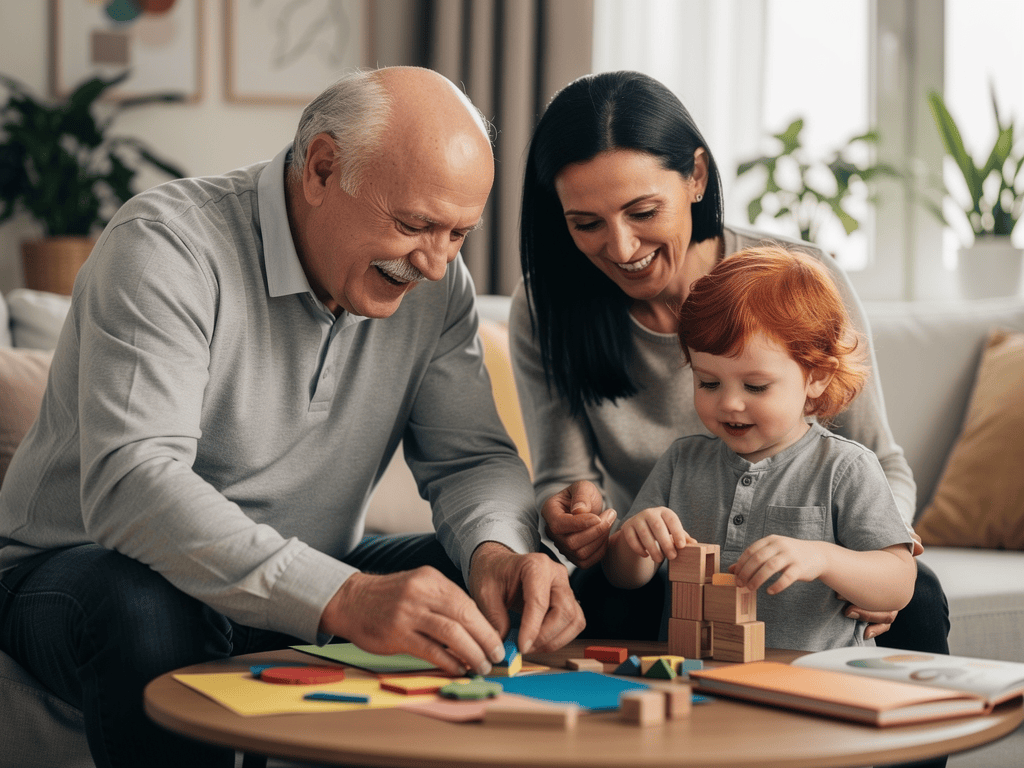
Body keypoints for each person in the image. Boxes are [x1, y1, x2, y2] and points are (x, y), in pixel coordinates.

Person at [0, 66, 583, 768]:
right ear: (322, 169)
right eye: (414, 225)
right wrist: (342, 595)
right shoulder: (166, 245)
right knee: (145, 606)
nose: (434, 263)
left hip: (309, 579)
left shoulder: (438, 288)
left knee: (516, 588)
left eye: (458, 234)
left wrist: (499, 552)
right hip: (82, 576)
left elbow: (472, 459)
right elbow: (133, 483)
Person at [511, 71, 948, 651]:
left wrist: (861, 565)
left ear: (695, 176)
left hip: (804, 571)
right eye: (586, 223)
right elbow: (566, 481)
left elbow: (880, 461)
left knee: (918, 595)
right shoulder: (548, 307)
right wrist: (580, 519)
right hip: (659, 569)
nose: (620, 248)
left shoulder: (800, 281)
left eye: (642, 212)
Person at [605, 246, 917, 651]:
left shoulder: (846, 467)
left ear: (816, 377)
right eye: (708, 383)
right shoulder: (682, 461)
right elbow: (622, 577)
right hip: (700, 675)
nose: (729, 403)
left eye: (755, 386)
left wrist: (823, 558)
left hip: (819, 686)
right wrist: (632, 541)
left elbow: (899, 582)